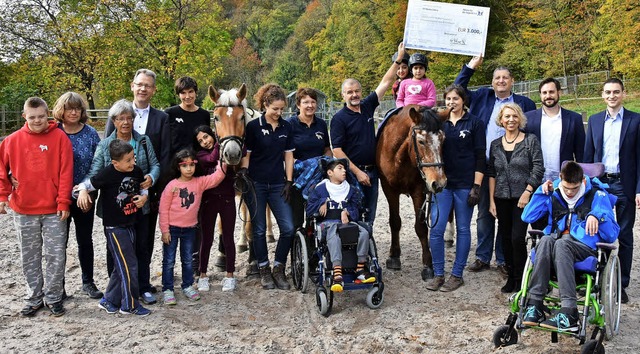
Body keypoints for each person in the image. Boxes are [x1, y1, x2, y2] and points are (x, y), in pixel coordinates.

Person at [454, 55, 537, 275]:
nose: (501, 81)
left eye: (505, 78)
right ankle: (482, 256)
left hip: (513, 167)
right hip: (485, 165)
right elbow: (457, 88)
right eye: (497, 78)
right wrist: (471, 65)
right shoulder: (482, 97)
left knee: (506, 215)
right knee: (484, 213)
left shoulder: (526, 104)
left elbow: (530, 135)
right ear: (492, 82)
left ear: (512, 81)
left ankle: (502, 258)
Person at [520, 161, 619, 332]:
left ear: (583, 181)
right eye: (566, 188)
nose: (569, 192)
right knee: (545, 240)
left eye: (574, 189)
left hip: (584, 248)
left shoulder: (597, 196)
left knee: (562, 243)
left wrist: (597, 216)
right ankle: (535, 304)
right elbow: (527, 216)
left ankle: (570, 312)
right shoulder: (553, 191)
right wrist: (541, 194)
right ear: (560, 178)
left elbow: (612, 234)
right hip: (557, 243)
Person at [0, 97, 73, 317]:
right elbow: (2, 171)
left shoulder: (59, 138)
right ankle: (34, 297)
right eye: (32, 117)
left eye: (41, 116)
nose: (37, 120)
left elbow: (66, 172)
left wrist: (63, 201)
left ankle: (53, 297)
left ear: (47, 114)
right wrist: (3, 195)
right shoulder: (11, 141)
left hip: (53, 210)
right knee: (29, 255)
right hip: (24, 209)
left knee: (55, 256)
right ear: (25, 117)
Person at [105, 69, 171, 296]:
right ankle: (117, 286)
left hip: (146, 191)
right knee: (117, 239)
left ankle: (142, 284)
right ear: (133, 86)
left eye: (148, 85)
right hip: (118, 194)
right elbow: (108, 149)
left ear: (153, 90)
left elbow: (163, 155)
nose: (143, 89)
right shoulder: (116, 114)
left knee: (144, 240)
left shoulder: (162, 118)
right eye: (139, 84)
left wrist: (152, 181)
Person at [89, 99, 160, 305]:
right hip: (114, 209)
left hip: (140, 205)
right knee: (116, 250)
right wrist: (84, 190)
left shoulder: (144, 141)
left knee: (142, 246)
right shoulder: (105, 146)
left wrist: (151, 178)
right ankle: (118, 291)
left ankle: (143, 287)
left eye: (129, 118)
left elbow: (155, 165)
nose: (126, 122)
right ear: (114, 120)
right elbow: (96, 174)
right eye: (121, 118)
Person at [331, 42, 406, 226]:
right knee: (352, 215)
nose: (354, 95)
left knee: (370, 217)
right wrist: (357, 173)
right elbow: (337, 150)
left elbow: (386, 82)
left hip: (372, 173)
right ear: (343, 95)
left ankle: (365, 253)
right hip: (350, 174)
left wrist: (398, 59)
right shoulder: (339, 119)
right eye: (349, 92)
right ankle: (353, 253)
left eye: (357, 91)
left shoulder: (367, 107)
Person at [76, 140, 151, 316]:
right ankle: (130, 305)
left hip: (131, 223)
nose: (133, 162)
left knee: (121, 266)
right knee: (129, 265)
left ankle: (108, 300)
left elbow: (143, 188)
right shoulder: (107, 174)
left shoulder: (137, 170)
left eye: (133, 158)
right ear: (115, 162)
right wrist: (82, 191)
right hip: (114, 228)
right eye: (128, 160)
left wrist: (144, 198)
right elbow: (86, 184)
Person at [584, 78, 640, 304]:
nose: (612, 96)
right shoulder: (595, 120)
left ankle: (621, 283)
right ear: (602, 95)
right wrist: (586, 186)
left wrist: (639, 189)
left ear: (623, 94)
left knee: (625, 235)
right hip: (600, 185)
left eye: (616, 92)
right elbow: (588, 157)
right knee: (596, 232)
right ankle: (596, 280)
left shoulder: (636, 121)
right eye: (608, 92)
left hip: (624, 184)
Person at [426, 85, 485, 292]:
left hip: (464, 184)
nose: (452, 102)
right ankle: (439, 273)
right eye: (448, 99)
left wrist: (476, 186)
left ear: (463, 100)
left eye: (456, 99)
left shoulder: (475, 123)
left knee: (462, 229)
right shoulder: (439, 124)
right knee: (436, 229)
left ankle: (457, 274)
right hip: (443, 185)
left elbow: (480, 156)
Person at [241, 83, 295, 290]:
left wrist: (288, 181)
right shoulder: (253, 127)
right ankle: (264, 268)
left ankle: (279, 268)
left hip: (278, 184)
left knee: (288, 228)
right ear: (265, 105)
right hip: (256, 184)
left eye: (282, 109)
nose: (279, 113)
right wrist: (244, 172)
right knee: (260, 229)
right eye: (275, 109)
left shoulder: (286, 126)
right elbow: (248, 154)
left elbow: (289, 155)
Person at [488, 103, 544, 293]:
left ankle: (522, 279)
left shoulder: (530, 140)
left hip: (523, 198)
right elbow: (492, 173)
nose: (510, 119)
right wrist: (491, 201)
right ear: (501, 120)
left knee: (517, 238)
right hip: (501, 197)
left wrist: (528, 191)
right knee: (505, 238)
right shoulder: (495, 144)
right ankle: (511, 277)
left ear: (519, 118)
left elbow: (538, 168)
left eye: (514, 116)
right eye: (507, 116)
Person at [159, 149, 227, 304]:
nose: (189, 168)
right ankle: (168, 289)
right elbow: (163, 209)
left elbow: (217, 177)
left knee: (188, 260)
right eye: (184, 165)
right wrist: (165, 230)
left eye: (192, 164)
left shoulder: (199, 183)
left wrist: (222, 159)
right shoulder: (172, 186)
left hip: (190, 229)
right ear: (178, 167)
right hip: (172, 229)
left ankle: (188, 285)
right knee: (168, 260)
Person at [52, 92, 103, 299]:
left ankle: (88, 282)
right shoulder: (53, 132)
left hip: (85, 195)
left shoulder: (90, 133)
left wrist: (85, 188)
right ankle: (58, 285)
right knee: (59, 242)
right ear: (61, 110)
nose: (73, 112)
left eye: (77, 108)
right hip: (57, 196)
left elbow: (96, 164)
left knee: (85, 239)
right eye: (69, 108)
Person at [306, 158, 375, 292]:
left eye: (344, 168)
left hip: (348, 224)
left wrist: (347, 211)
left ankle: (360, 268)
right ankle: (337, 271)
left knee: (364, 233)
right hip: (328, 224)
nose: (344, 171)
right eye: (340, 168)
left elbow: (357, 209)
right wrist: (322, 202)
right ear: (330, 173)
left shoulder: (351, 190)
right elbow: (309, 210)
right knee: (334, 234)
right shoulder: (319, 189)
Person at [193, 125, 238, 292]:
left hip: (227, 199)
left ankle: (230, 274)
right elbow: (213, 158)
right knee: (206, 238)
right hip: (208, 201)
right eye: (201, 140)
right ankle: (203, 273)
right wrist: (222, 140)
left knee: (228, 237)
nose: (205, 142)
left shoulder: (227, 149)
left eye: (207, 137)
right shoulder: (201, 155)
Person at [287, 88, 332, 231]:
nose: (310, 105)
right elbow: (285, 152)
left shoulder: (321, 124)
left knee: (317, 216)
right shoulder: (290, 125)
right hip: (298, 177)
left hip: (319, 176)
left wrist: (329, 162)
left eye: (313, 102)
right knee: (296, 221)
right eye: (305, 102)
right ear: (298, 105)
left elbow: (326, 148)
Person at [525, 78, 585, 182]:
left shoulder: (574, 119)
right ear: (540, 95)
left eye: (551, 92)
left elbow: (581, 153)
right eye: (544, 92)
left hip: (564, 180)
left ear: (559, 92)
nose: (548, 96)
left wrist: (582, 178)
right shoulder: (528, 119)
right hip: (535, 179)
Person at [164, 76, 211, 157]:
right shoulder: (169, 113)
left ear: (196, 92)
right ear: (178, 95)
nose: (187, 96)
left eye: (190, 91)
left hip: (199, 163)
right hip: (176, 163)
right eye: (183, 93)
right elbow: (165, 142)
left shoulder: (205, 115)